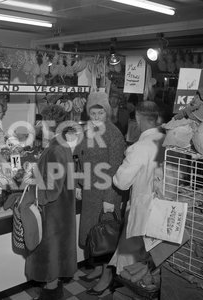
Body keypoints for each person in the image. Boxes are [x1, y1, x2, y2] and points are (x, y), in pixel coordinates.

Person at [74, 91, 126, 295]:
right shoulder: (89, 132)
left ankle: (107, 276)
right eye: (92, 113)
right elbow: (79, 156)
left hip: (105, 194)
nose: (96, 118)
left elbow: (116, 168)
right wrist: (78, 184)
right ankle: (97, 268)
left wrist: (111, 199)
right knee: (93, 235)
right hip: (89, 193)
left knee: (105, 236)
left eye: (100, 113)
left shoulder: (114, 135)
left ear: (108, 113)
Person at [108, 101, 165, 280]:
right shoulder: (167, 140)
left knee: (131, 265)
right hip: (163, 211)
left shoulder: (139, 148)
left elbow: (122, 182)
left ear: (138, 119)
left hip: (142, 212)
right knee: (152, 264)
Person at [25, 104, 77, 300]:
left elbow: (52, 190)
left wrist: (33, 192)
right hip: (61, 212)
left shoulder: (55, 149)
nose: (40, 125)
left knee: (51, 259)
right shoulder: (60, 145)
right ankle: (54, 290)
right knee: (56, 257)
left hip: (54, 215)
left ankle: (51, 293)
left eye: (42, 122)